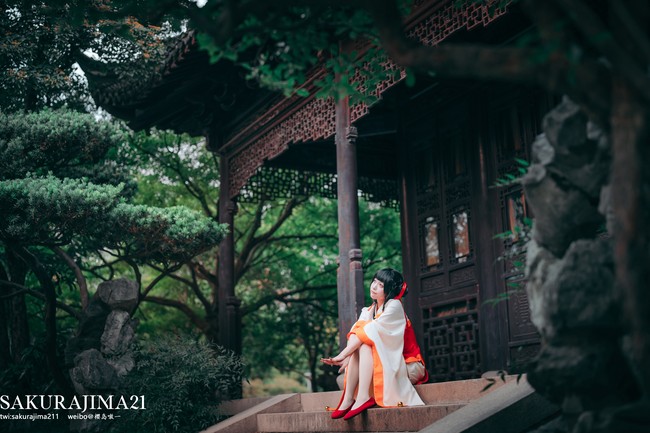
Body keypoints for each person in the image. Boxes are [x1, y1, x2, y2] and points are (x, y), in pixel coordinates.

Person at [320, 268, 428, 420]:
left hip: (408, 365)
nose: (374, 287)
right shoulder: (369, 310)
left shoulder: (395, 306)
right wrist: (349, 357)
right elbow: (356, 331)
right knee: (362, 341)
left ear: (390, 290)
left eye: (381, 285)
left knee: (366, 342)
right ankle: (349, 398)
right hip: (386, 361)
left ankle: (362, 397)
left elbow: (370, 332)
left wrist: (343, 355)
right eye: (374, 282)